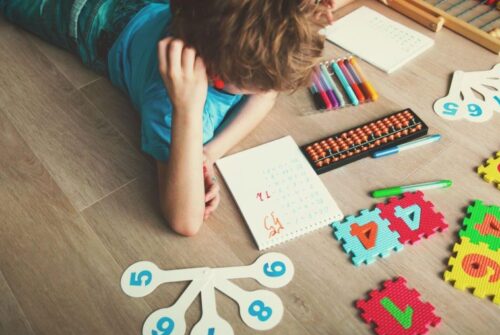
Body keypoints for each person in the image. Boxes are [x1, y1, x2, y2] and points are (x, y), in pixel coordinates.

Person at [1, 0, 332, 236]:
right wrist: (187, 113)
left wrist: (209, 153)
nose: (268, 90)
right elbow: (185, 221)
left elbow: (266, 94)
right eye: (258, 84)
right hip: (89, 19)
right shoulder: (174, 104)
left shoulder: (210, 19)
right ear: (217, 72)